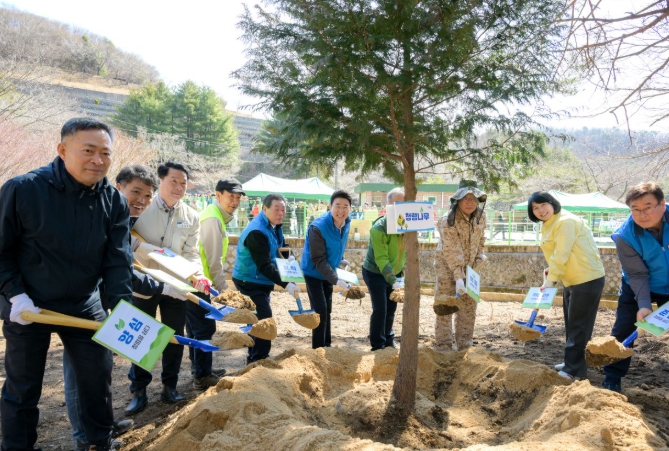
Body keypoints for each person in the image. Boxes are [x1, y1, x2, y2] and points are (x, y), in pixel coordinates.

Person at [0, 118, 132, 451]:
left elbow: (118, 261)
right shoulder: (23, 189)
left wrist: (122, 308)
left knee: (97, 377)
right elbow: (1, 251)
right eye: (88, 151)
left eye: (105, 153)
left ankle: (98, 441)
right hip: (30, 304)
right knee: (23, 386)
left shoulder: (114, 201)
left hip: (84, 304)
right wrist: (15, 295)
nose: (98, 160)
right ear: (62, 150)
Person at [63, 165, 188, 450]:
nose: (142, 200)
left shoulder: (120, 216)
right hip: (78, 301)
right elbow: (122, 270)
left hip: (100, 302)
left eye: (147, 195)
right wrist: (162, 287)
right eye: (136, 192)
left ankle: (102, 426)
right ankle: (85, 439)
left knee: (99, 367)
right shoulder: (101, 214)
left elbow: (122, 267)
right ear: (118, 187)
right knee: (78, 374)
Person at [126, 162, 212, 414]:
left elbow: (191, 252)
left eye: (183, 183)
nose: (179, 187)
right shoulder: (141, 207)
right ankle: (139, 390)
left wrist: (197, 275)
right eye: (173, 181)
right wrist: (144, 250)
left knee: (175, 336)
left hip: (176, 285)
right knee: (141, 335)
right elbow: (124, 238)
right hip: (144, 283)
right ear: (160, 181)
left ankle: (169, 386)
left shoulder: (191, 216)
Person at [528, 191, 605, 381]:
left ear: (552, 203)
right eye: (535, 208)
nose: (540, 210)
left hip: (586, 278)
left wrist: (552, 279)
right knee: (572, 325)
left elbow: (562, 254)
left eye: (543, 205)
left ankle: (571, 369)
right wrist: (551, 272)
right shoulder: (549, 223)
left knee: (579, 326)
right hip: (571, 279)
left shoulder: (565, 221)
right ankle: (574, 364)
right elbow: (558, 255)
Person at [602, 182, 669, 393]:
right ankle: (612, 378)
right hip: (637, 285)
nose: (642, 214)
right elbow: (638, 274)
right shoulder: (624, 236)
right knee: (623, 328)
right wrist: (644, 305)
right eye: (635, 209)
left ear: (663, 204)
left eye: (648, 207)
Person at [232, 193, 300, 364]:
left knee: (256, 318)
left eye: (283, 210)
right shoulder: (257, 232)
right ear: (264, 209)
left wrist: (290, 258)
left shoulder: (275, 225)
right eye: (276, 209)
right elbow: (265, 266)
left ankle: (254, 357)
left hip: (261, 281)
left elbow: (281, 246)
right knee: (264, 318)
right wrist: (287, 284)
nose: (280, 213)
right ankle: (259, 359)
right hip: (249, 280)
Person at [193, 178, 245, 390]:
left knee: (196, 329)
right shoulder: (213, 219)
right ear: (218, 195)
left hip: (198, 281)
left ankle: (200, 369)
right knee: (204, 329)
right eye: (230, 196)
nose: (235, 201)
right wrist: (224, 291)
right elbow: (213, 261)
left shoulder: (215, 216)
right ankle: (202, 376)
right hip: (199, 283)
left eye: (238, 197)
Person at [434, 180, 487, 352]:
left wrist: (480, 253)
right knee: (446, 305)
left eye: (473, 198)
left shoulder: (480, 216)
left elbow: (481, 237)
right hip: (447, 268)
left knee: (469, 306)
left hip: (471, 267)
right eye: (466, 198)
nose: (470, 202)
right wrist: (458, 277)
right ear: (457, 200)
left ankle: (465, 345)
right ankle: (444, 346)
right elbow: (451, 250)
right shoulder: (447, 220)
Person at [301, 190, 352, 349]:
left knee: (327, 309)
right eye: (337, 206)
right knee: (320, 310)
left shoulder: (347, 222)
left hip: (329, 271)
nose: (341, 210)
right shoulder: (318, 227)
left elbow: (338, 243)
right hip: (313, 272)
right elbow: (318, 258)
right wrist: (336, 279)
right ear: (330, 206)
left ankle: (326, 345)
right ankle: (318, 349)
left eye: (345, 206)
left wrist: (340, 258)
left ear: (350, 208)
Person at [362, 187, 406, 351]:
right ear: (388, 205)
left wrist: (400, 273)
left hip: (395, 272)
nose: (400, 208)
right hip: (375, 272)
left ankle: (388, 339)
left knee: (392, 307)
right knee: (381, 308)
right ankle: (378, 345)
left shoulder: (407, 225)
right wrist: (393, 280)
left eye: (404, 204)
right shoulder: (379, 228)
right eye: (396, 203)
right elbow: (381, 258)